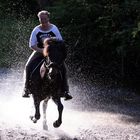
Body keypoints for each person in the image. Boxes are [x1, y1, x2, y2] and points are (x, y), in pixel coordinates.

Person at [22, 10, 72, 100]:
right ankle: (26, 88)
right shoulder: (36, 30)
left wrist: (51, 51)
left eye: (45, 18)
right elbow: (32, 45)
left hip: (52, 52)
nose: (43, 20)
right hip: (39, 51)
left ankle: (66, 90)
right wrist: (42, 50)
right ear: (39, 19)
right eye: (41, 19)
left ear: (48, 18)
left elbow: (60, 42)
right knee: (28, 65)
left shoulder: (54, 29)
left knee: (64, 68)